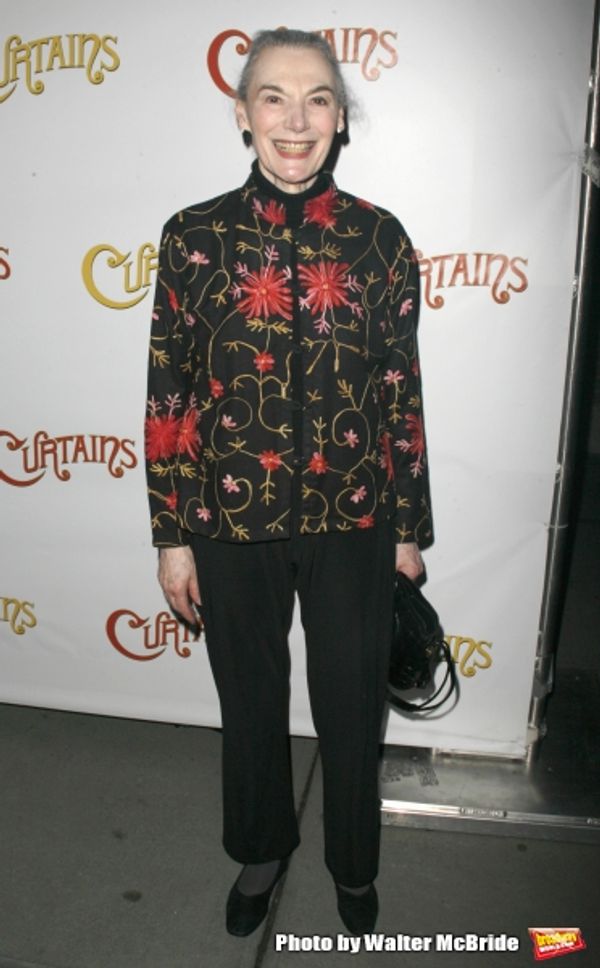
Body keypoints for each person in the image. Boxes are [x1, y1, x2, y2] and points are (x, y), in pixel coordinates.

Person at [145, 28, 433, 937]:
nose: (295, 119)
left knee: (352, 706)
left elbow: (400, 391)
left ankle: (353, 864)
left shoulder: (380, 239)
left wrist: (408, 528)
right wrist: (170, 532)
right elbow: (170, 394)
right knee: (251, 700)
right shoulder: (193, 238)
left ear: (339, 118)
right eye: (274, 96)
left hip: (354, 516)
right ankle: (262, 851)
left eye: (316, 99)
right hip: (229, 520)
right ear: (242, 114)